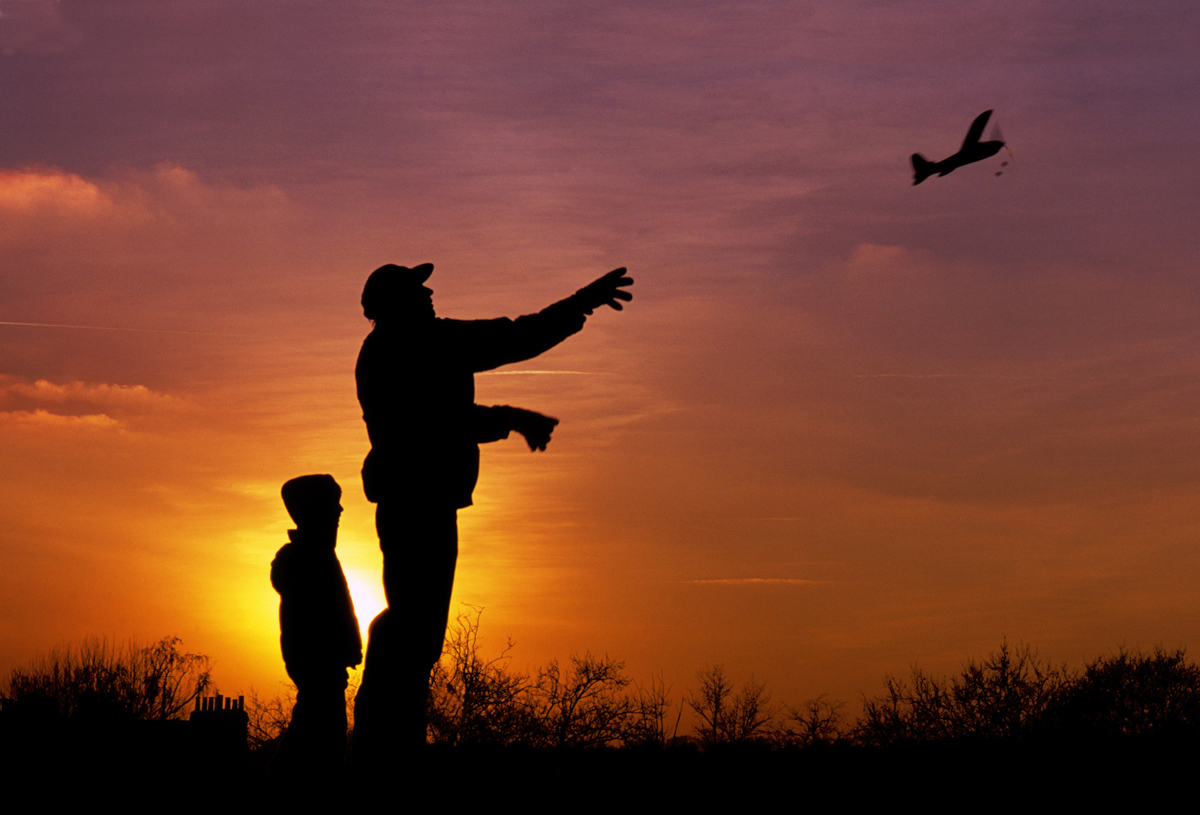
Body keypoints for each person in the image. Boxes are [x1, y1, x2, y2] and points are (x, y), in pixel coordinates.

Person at [350, 263, 632, 764]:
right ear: (395, 304)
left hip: (426, 501)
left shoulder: (428, 341)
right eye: (418, 289)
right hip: (415, 503)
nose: (430, 292)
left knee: (416, 634)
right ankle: (381, 756)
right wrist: (510, 418)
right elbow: (432, 422)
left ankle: (386, 750)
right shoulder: (396, 351)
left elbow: (516, 337)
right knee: (413, 633)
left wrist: (581, 303)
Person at [270, 474, 362, 782]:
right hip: (319, 667)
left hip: (325, 667)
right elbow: (315, 618)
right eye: (333, 503)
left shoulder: (320, 556)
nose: (340, 510)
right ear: (314, 509)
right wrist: (338, 649)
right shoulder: (307, 559)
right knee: (324, 742)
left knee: (322, 740)